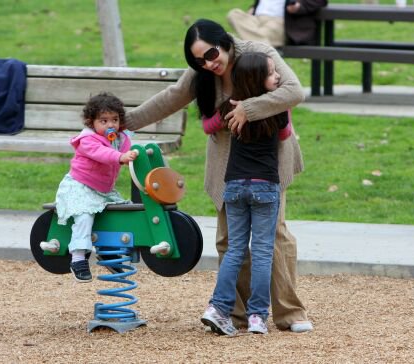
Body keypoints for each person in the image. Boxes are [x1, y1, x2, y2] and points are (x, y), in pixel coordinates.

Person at [124, 18, 313, 333]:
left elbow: (294, 91)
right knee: (229, 240)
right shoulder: (203, 74)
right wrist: (126, 121)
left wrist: (248, 109)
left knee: (275, 237)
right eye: (199, 60)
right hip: (228, 164)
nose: (209, 63)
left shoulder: (258, 53)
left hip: (268, 161)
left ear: (224, 41)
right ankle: (235, 314)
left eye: (211, 54)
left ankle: (288, 313)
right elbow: (172, 97)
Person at [200, 52, 290, 336]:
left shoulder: (230, 106)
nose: (278, 77)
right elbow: (285, 136)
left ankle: (218, 308)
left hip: (235, 185)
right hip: (265, 185)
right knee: (263, 252)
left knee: (235, 250)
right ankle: (257, 317)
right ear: (258, 80)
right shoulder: (277, 109)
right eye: (272, 73)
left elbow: (207, 126)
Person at [40, 92, 138, 283]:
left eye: (115, 120)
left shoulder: (120, 139)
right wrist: (120, 157)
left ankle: (109, 251)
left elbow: (125, 152)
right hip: (81, 186)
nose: (110, 125)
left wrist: (133, 155)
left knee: (115, 215)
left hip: (103, 190)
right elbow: (103, 154)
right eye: (103, 120)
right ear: (90, 122)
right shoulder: (87, 140)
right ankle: (78, 259)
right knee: (84, 217)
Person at [227, 0, 327, 48]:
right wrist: (254, 8)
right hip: (255, 20)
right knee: (234, 14)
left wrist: (299, 7)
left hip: (280, 22)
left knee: (245, 43)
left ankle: (268, 62)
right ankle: (269, 58)